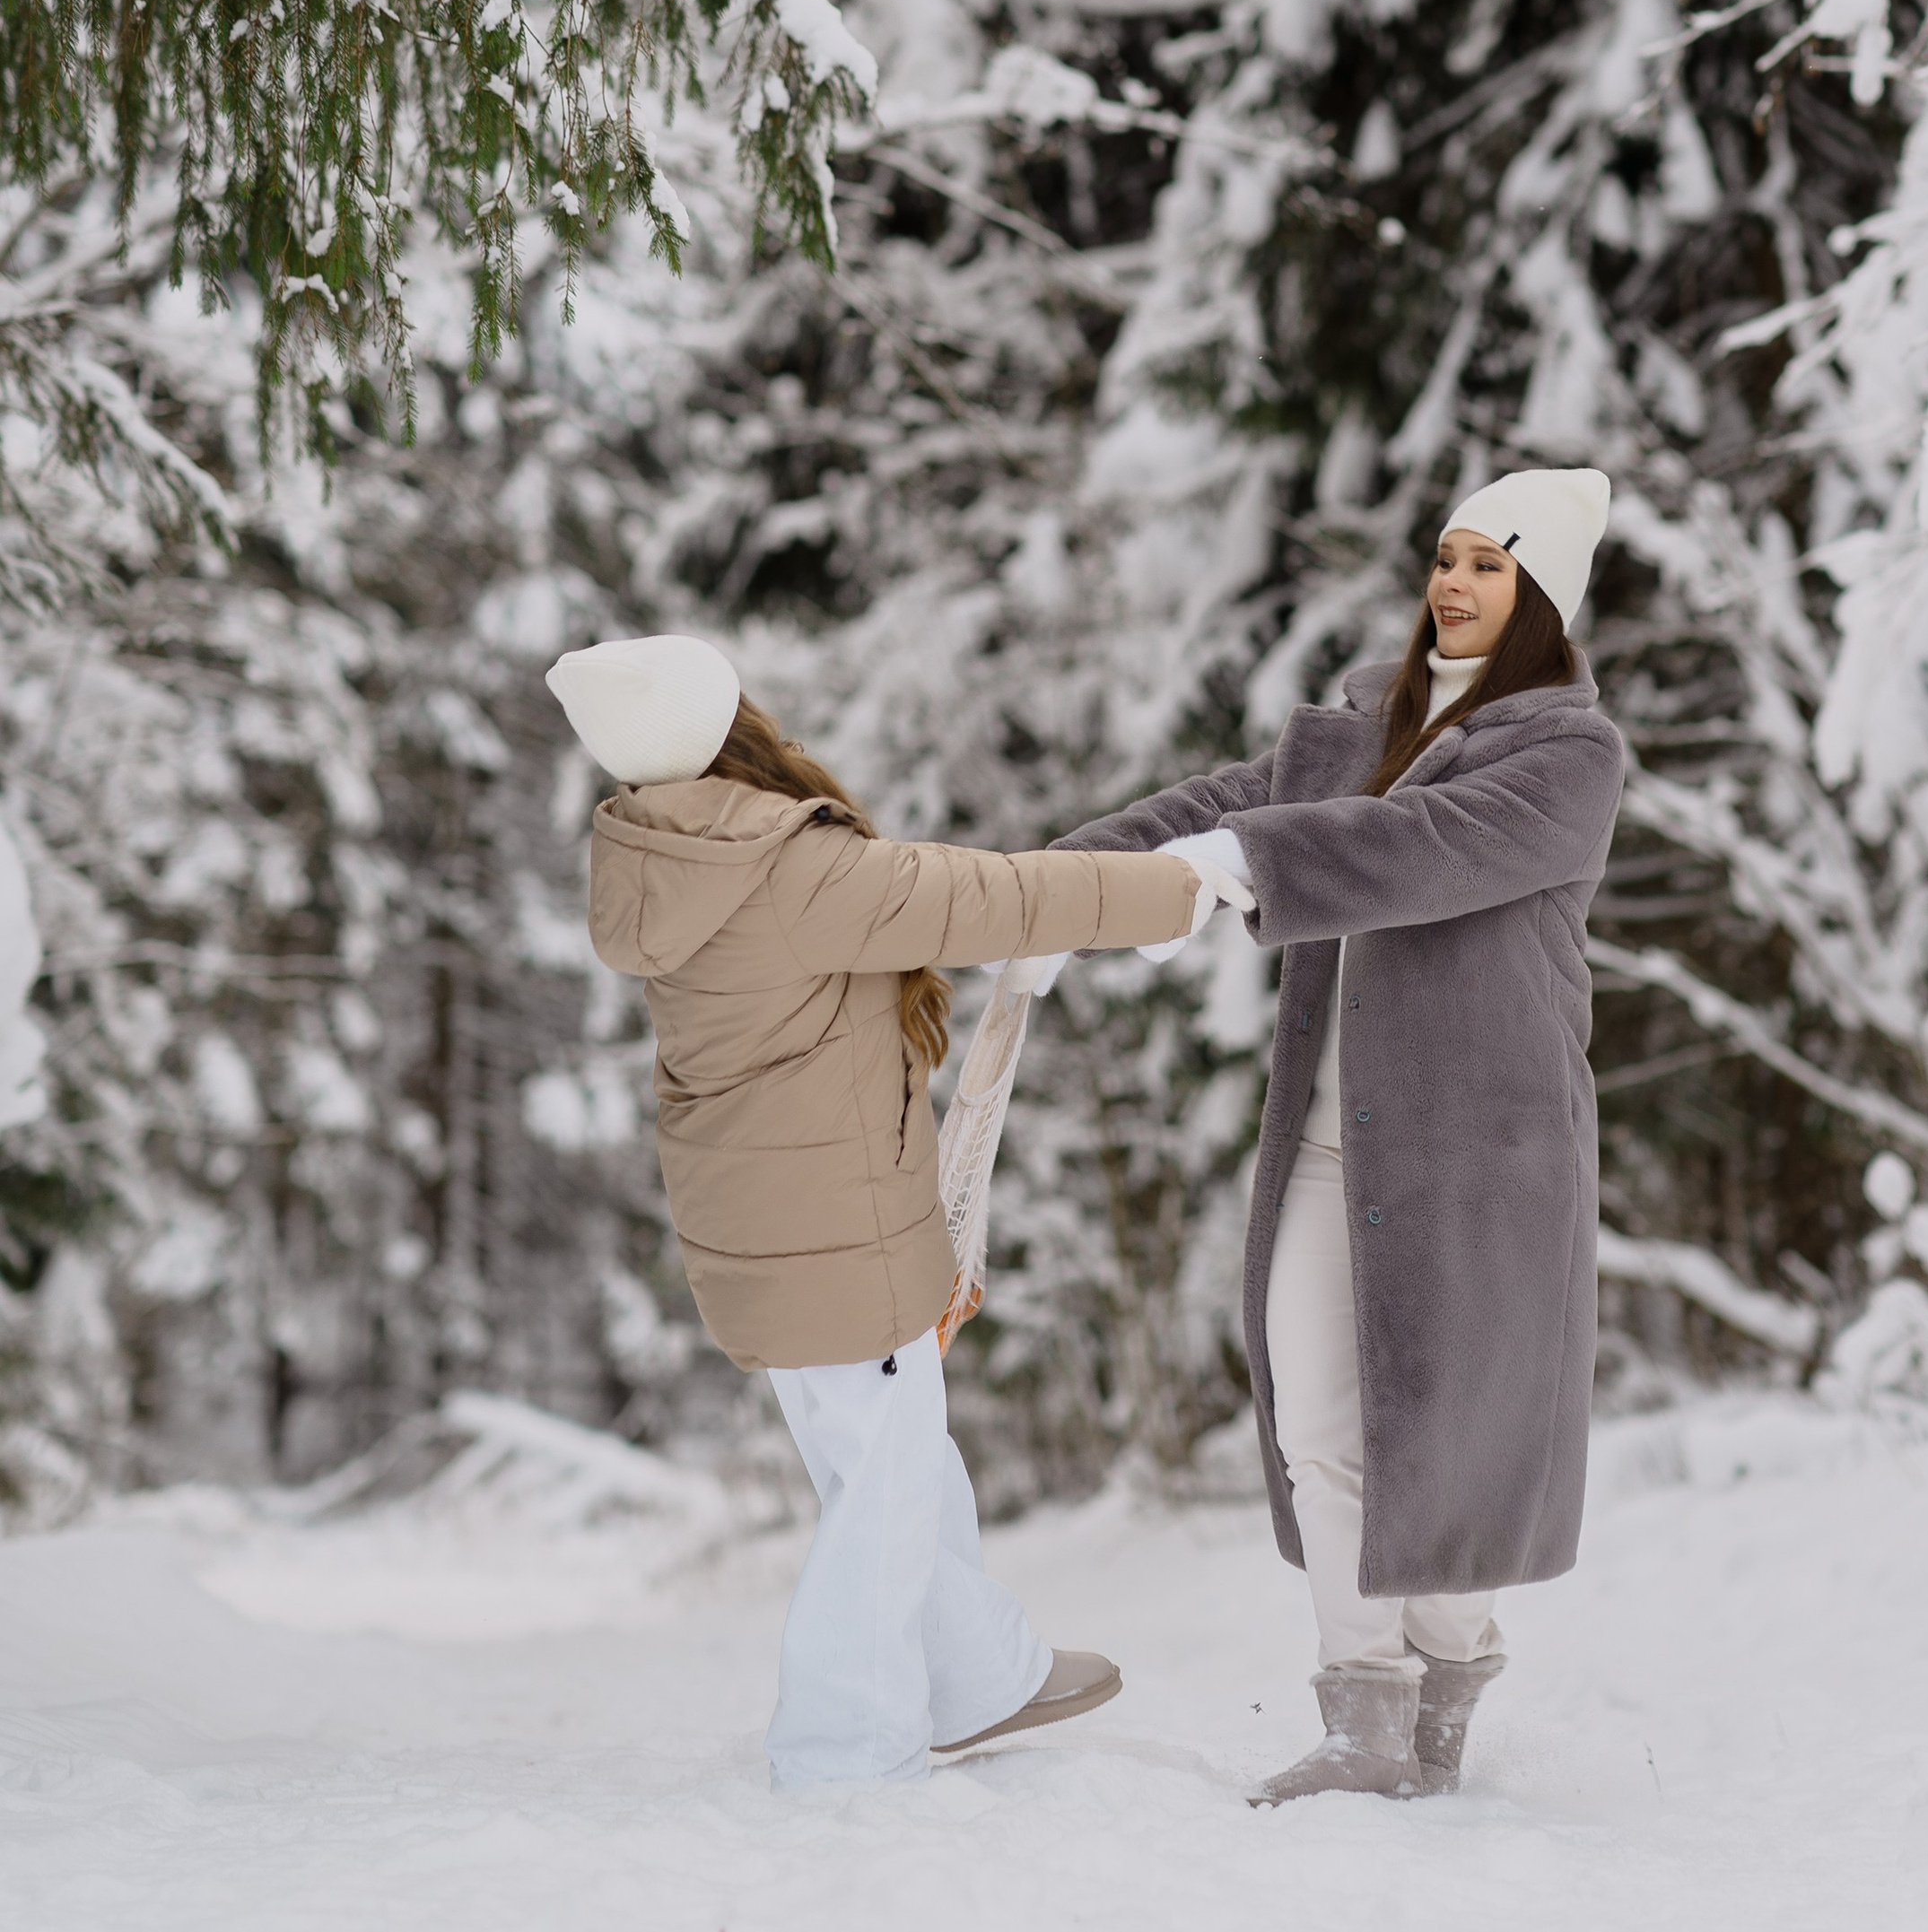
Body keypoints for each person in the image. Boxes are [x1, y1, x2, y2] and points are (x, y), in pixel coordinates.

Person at [1056, 467, 1623, 1806]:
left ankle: (1449, 1669)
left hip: (1484, 1148)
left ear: (1541, 592)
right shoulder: (1359, 721)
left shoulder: (1566, 756)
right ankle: (1364, 1715)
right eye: (1446, 554)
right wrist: (1055, 883)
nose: (1455, 582)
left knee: (1457, 1433)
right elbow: (1209, 813)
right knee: (1318, 1419)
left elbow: (1409, 847)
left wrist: (1234, 866)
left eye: (1490, 562)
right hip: (1328, 1140)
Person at [554, 631, 1207, 1790]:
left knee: (895, 1464)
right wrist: (1186, 887)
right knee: (887, 1491)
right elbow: (999, 894)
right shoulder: (790, 867)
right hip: (836, 1231)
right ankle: (844, 1749)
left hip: (768, 1226)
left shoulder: (659, 850)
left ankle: (979, 1675)